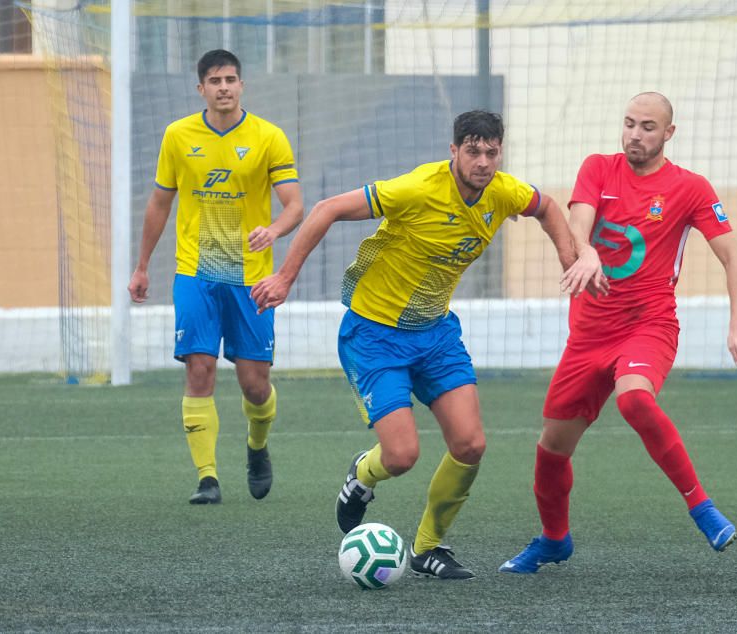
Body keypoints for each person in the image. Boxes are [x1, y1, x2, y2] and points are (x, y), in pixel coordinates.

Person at [251, 110, 605, 579]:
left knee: (471, 444)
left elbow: (546, 207)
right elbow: (327, 209)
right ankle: (362, 475)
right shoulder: (417, 189)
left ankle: (428, 547)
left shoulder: (502, 191)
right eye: (473, 150)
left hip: (435, 334)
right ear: (454, 151)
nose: (483, 161)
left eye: (491, 151)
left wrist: (569, 258)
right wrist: (285, 276)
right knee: (401, 457)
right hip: (374, 334)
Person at [499, 92, 737, 574]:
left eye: (646, 127)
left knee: (635, 399)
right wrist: (588, 251)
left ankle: (701, 507)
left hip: (649, 325)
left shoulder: (690, 188)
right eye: (628, 124)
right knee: (551, 449)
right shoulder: (598, 168)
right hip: (587, 335)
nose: (634, 135)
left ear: (668, 133)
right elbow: (579, 222)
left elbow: (734, 257)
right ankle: (554, 539)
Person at [128, 49, 303, 505]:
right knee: (200, 369)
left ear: (241, 85)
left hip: (251, 279)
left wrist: (275, 229)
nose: (223, 87)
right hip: (196, 273)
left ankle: (258, 447)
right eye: (214, 80)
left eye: (231, 79)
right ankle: (207, 478)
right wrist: (142, 265)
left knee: (254, 384)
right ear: (200, 88)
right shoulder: (178, 136)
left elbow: (294, 204)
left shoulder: (268, 137)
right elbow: (160, 203)